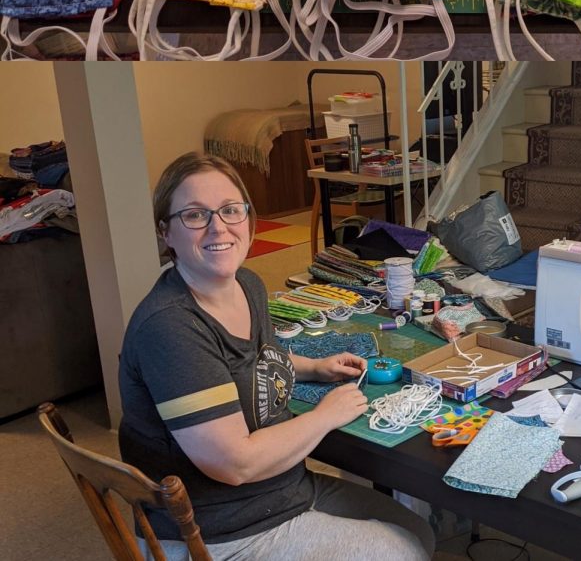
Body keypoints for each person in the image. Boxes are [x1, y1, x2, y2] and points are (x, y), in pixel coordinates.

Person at [118, 152, 434, 561]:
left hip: (280, 491)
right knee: (403, 551)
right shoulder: (171, 329)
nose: (220, 227)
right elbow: (235, 464)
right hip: (219, 530)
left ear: (249, 219)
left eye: (231, 210)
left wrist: (312, 366)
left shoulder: (246, 284)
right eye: (195, 215)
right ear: (166, 232)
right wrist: (324, 416)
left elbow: (252, 358)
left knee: (416, 531)